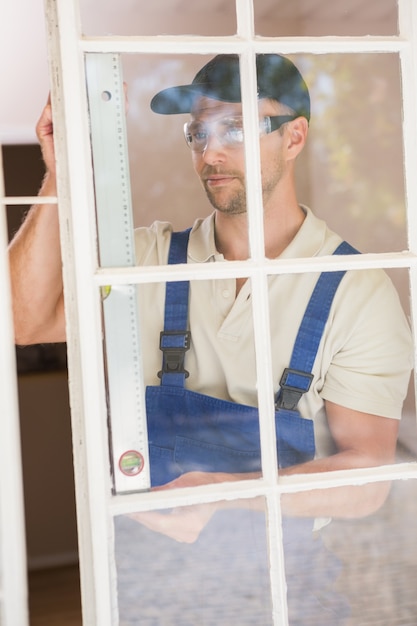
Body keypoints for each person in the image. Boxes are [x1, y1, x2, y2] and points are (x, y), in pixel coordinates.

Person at [9, 54, 413, 622]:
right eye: (198, 132)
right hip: (148, 590)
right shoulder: (147, 262)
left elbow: (368, 477)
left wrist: (220, 490)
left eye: (236, 129)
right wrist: (60, 172)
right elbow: (23, 321)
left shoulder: (355, 290)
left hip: (285, 596)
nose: (210, 153)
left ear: (295, 136)